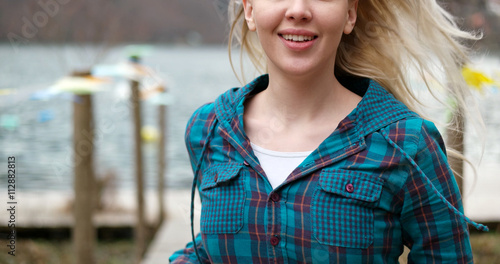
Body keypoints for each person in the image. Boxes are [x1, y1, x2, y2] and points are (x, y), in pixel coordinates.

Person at [170, 0, 489, 262]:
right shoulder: (209, 128)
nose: (298, 9)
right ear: (250, 10)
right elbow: (215, 246)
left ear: (350, 14)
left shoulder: (407, 142)